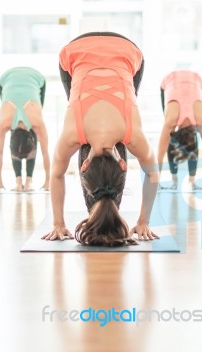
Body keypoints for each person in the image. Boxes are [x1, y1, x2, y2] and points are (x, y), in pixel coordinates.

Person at [41, 32, 159, 247]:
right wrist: (144, 221)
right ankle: (102, 207)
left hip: (123, 50)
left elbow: (153, 174)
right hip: (89, 50)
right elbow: (56, 174)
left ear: (123, 165)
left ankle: (99, 209)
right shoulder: (72, 134)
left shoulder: (132, 135)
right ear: (84, 164)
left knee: (124, 100)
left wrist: (58, 224)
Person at [0, 67, 50, 191]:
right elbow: (45, 152)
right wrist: (48, 181)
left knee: (37, 107)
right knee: (35, 109)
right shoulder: (37, 122)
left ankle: (19, 182)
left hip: (24, 77)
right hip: (7, 78)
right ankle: (27, 182)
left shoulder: (4, 123)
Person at [158, 69, 202, 190]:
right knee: (169, 133)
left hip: (188, 80)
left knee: (169, 133)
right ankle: (189, 181)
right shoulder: (199, 122)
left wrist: (155, 183)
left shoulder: (171, 121)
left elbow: (160, 153)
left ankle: (176, 180)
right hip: (183, 80)